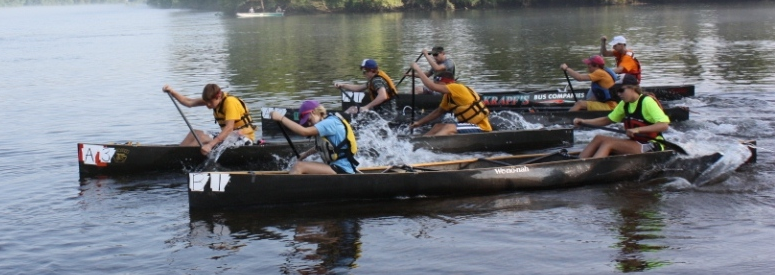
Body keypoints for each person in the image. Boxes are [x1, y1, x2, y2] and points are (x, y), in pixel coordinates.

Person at [572, 74, 670, 158]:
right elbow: (607, 120)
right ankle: (577, 164)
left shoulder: (647, 101)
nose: (618, 94)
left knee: (609, 143)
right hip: (637, 142)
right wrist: (584, 122)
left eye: (621, 90)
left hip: (653, 144)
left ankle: (589, 169)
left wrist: (637, 130)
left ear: (633, 88)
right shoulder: (624, 103)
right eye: (616, 91)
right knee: (599, 138)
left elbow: (664, 125)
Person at [162, 84, 256, 155]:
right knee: (194, 133)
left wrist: (210, 145)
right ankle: (178, 154)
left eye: (210, 102)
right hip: (230, 136)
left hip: (244, 139)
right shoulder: (212, 99)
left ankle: (181, 157)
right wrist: (172, 92)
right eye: (206, 102)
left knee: (202, 138)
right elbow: (189, 102)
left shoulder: (230, 102)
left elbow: (229, 128)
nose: (208, 105)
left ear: (218, 97)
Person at [269, 100, 359, 175]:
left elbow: (304, 132)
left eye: (308, 120)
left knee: (298, 166)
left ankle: (286, 191)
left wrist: (281, 118)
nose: (309, 124)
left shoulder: (329, 123)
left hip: (343, 169)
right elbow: (320, 146)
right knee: (301, 165)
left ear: (313, 112)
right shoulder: (326, 123)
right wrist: (304, 155)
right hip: (337, 167)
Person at [408, 63, 491, 136]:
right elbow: (438, 112)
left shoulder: (456, 87)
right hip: (468, 126)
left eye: (438, 84)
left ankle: (431, 146)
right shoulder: (447, 97)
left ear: (445, 83)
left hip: (481, 128)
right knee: (437, 126)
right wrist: (419, 123)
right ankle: (419, 143)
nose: (437, 88)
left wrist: (418, 69)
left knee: (449, 127)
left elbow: (431, 86)